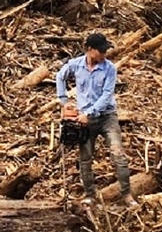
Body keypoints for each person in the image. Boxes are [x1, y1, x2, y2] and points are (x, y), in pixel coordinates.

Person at [56, 32, 136, 208]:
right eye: (101, 51)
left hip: (107, 116)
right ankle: (90, 194)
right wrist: (64, 102)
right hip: (84, 119)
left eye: (105, 51)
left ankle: (127, 194)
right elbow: (60, 76)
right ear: (89, 49)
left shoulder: (109, 68)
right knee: (85, 158)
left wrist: (89, 113)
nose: (104, 54)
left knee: (118, 154)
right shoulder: (76, 65)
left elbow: (107, 95)